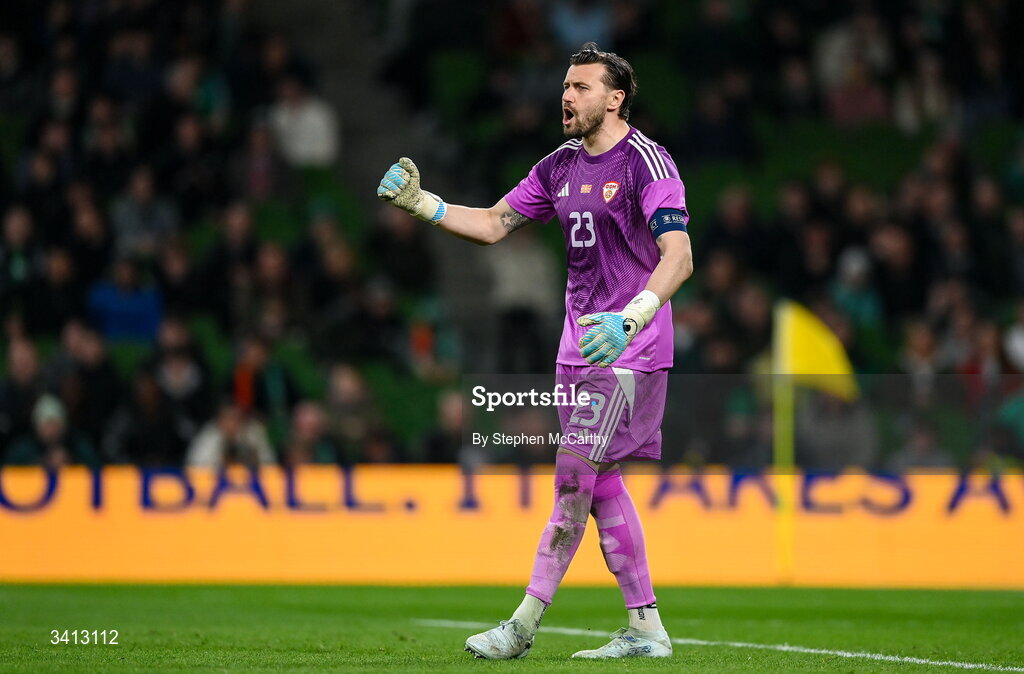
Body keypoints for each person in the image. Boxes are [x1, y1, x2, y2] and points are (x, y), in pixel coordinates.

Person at [377, 42, 693, 660]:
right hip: (577, 347)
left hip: (629, 344)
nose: (567, 97)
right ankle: (646, 628)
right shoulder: (559, 167)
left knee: (574, 478)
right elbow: (496, 224)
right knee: (601, 484)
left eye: (581, 87)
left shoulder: (648, 165)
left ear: (615, 96)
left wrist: (631, 320)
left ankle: (521, 625)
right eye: (566, 87)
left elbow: (678, 255)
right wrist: (425, 204)